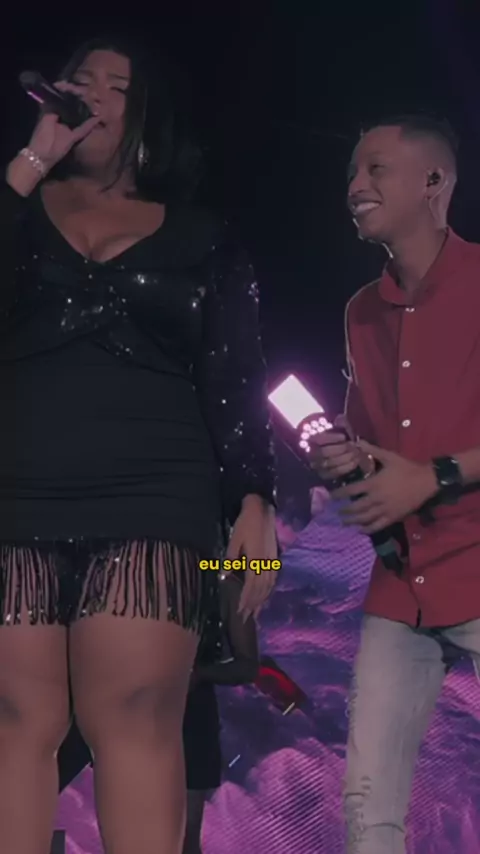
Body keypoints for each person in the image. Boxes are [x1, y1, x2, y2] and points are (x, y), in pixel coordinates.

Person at [0, 36, 278, 854]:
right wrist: (30, 162)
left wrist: (253, 500)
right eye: (79, 78)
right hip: (17, 491)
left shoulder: (204, 238)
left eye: (115, 85)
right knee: (18, 720)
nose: (91, 92)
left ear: (149, 116)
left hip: (155, 497)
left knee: (131, 717)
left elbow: (235, 378)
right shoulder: (20, 211)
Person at [310, 114, 480, 854]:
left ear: (434, 181)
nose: (355, 185)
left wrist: (434, 476)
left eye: (375, 168)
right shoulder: (360, 312)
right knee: (368, 805)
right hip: (401, 583)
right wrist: (343, 457)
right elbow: (371, 441)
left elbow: (421, 470)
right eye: (352, 172)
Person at [182, 569, 259, 854]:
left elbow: (248, 665)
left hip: (192, 718)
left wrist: (199, 673)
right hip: (134, 715)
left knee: (185, 835)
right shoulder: (135, 573)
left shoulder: (223, 584)